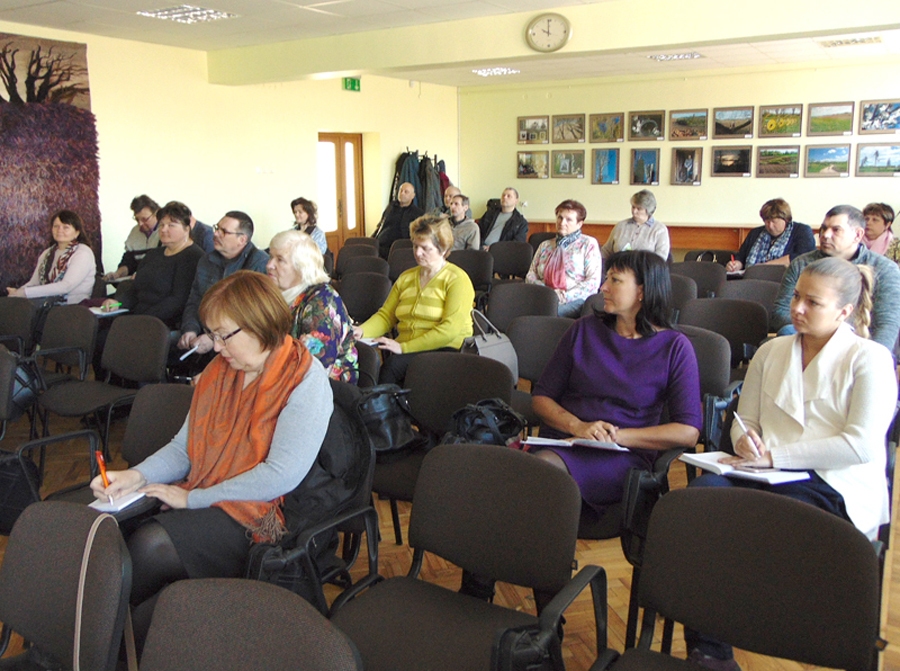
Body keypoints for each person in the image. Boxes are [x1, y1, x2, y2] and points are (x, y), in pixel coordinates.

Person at [91, 271, 333, 646]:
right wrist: (135, 476)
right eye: (213, 335)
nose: (216, 346)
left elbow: (280, 475)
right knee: (135, 572)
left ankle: (94, 643)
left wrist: (192, 498)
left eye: (224, 335)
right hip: (216, 495)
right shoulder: (219, 372)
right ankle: (102, 643)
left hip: (264, 514)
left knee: (150, 548)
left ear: (259, 323)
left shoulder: (305, 379)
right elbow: (183, 448)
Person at [685, 257, 897, 670]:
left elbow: (860, 446)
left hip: (833, 481)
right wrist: (744, 441)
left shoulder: (869, 359)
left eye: (812, 303)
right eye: (796, 296)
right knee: (700, 503)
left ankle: (775, 635)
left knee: (764, 525)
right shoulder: (772, 350)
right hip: (763, 471)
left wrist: (774, 456)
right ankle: (708, 651)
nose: (796, 309)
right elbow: (746, 421)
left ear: (844, 311)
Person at [530, 250, 701, 513]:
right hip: (567, 439)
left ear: (642, 291)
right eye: (606, 278)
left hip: (623, 454)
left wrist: (616, 436)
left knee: (542, 475)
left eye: (615, 280)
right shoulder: (583, 330)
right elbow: (541, 397)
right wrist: (578, 426)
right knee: (523, 473)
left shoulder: (674, 348)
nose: (603, 287)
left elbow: (688, 431)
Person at [354, 214, 474, 384]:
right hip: (407, 350)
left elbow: (449, 331)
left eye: (425, 248)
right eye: (415, 246)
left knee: (391, 368)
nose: (417, 253)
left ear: (443, 249)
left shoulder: (457, 279)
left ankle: (380, 408)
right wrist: (362, 331)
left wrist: (404, 348)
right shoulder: (406, 278)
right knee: (363, 362)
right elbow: (386, 316)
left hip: (446, 350)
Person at [772, 204, 900, 351]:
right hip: (809, 340)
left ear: (858, 235)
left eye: (836, 230)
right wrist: (820, 329)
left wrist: (873, 358)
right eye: (824, 228)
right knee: (785, 333)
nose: (825, 235)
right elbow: (780, 312)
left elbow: (887, 324)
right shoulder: (801, 264)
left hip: (860, 344)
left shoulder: (885, 269)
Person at [267, 230, 358, 383]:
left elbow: (313, 366)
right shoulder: (278, 294)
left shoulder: (321, 301)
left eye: (280, 260)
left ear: (301, 267)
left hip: (325, 389)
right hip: (284, 379)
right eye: (271, 257)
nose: (269, 265)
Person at [177, 210, 269, 356]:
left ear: (242, 240)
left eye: (224, 232)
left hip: (237, 340)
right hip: (202, 333)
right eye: (217, 228)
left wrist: (215, 338)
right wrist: (190, 329)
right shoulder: (206, 261)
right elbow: (195, 300)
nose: (216, 234)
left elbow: (250, 315)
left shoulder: (259, 263)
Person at [102, 201, 204, 328]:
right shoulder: (153, 254)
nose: (164, 229)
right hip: (136, 316)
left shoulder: (194, 257)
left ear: (186, 229)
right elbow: (135, 289)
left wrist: (141, 319)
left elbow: (178, 301)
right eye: (161, 225)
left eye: (171, 225)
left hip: (161, 324)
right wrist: (117, 303)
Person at [526, 199, 601, 318]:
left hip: (573, 300)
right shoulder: (545, 245)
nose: (562, 222)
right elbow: (530, 275)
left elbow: (592, 283)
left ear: (579, 223)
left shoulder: (588, 244)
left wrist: (562, 297)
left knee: (548, 315)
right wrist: (548, 294)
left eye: (569, 219)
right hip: (542, 296)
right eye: (560, 217)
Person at [8, 210, 96, 305]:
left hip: (72, 309)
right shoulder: (47, 253)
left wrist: (25, 293)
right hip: (45, 304)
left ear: (77, 233)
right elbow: (34, 283)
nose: (59, 230)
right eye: (56, 226)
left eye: (66, 227)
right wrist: (17, 293)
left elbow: (66, 286)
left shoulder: (83, 252)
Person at [725, 198, 815, 272]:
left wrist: (764, 267)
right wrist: (736, 264)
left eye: (774, 222)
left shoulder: (802, 231)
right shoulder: (755, 233)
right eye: (767, 221)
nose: (770, 226)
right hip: (750, 280)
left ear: (786, 219)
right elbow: (741, 257)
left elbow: (802, 258)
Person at [600, 189, 670, 262]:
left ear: (648, 210)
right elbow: (606, 251)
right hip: (619, 269)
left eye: (639, 208)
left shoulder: (659, 230)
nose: (634, 211)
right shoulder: (621, 226)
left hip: (645, 271)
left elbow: (660, 258)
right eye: (633, 207)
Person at [104, 195, 161, 280]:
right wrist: (118, 274)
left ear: (156, 213)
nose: (140, 224)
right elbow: (128, 262)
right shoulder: (135, 232)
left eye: (145, 219)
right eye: (137, 220)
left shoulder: (165, 232)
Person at [373, 182, 424, 259]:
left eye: (406, 192)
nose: (402, 193)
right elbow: (381, 225)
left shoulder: (417, 213)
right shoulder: (390, 207)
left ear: (413, 196)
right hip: (381, 245)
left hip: (401, 250)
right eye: (400, 190)